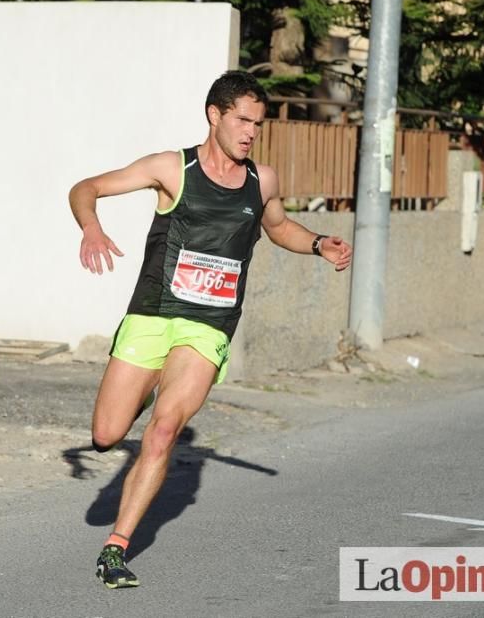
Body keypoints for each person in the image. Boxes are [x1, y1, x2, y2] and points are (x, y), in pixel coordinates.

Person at [68, 70, 352, 589]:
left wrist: (317, 244)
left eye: (257, 124)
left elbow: (279, 226)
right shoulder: (171, 169)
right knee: (107, 435)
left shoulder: (260, 180)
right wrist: (91, 226)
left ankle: (116, 548)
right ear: (214, 115)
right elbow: (86, 188)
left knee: (162, 432)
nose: (250, 132)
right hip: (152, 314)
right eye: (242, 120)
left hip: (209, 326)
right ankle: (147, 387)